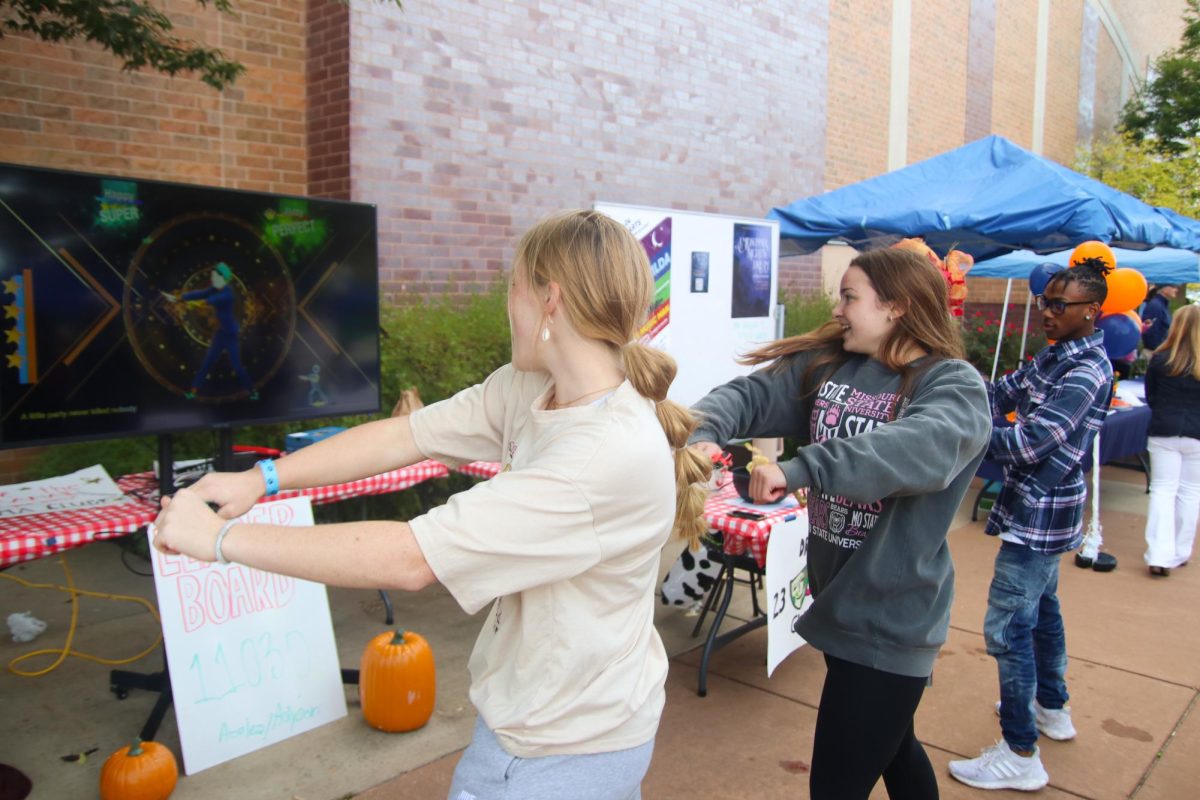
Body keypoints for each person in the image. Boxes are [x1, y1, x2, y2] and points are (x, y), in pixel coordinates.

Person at [152, 209, 711, 800]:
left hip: (560, 750)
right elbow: (407, 435)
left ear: (551, 300)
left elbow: (410, 559)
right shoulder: (535, 387)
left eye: (512, 287)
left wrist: (217, 541)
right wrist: (261, 480)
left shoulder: (599, 457)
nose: (506, 304)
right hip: (544, 720)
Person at [688, 248, 992, 800]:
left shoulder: (952, 386)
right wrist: (705, 429)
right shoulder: (833, 367)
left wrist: (803, 469)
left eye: (850, 296)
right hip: (839, 602)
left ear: (896, 305)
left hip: (890, 617)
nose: (838, 307)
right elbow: (751, 394)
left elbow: (911, 449)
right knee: (896, 750)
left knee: (835, 786)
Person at [949, 261, 1114, 791]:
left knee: (1008, 627)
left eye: (1059, 305)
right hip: (1036, 508)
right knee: (1042, 612)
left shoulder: (1086, 371)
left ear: (1091, 311)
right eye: (1046, 301)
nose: (1047, 312)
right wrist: (958, 391)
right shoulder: (1055, 355)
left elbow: (1028, 441)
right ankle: (1051, 706)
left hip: (1041, 515)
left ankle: (1020, 752)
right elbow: (1001, 394)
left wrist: (951, 435)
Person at [1142, 303, 1200, 576]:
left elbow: (1151, 395)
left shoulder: (1160, 359)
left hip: (1164, 428)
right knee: (1190, 492)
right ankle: (1179, 551)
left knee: (1162, 491)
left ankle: (1159, 554)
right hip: (1197, 434)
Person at [162, 261, 257, 399]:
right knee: (207, 362)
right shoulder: (216, 288)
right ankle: (193, 391)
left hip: (231, 335)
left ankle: (252, 391)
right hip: (220, 333)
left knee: (237, 366)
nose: (212, 279)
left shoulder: (227, 294)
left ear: (222, 278)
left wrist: (179, 301)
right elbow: (199, 294)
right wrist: (180, 297)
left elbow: (203, 302)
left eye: (214, 277)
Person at [1142, 284, 1178, 352]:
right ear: (1163, 289)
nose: (1176, 290)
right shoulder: (1155, 306)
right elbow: (1151, 333)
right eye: (1173, 286)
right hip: (1154, 352)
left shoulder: (1162, 305)